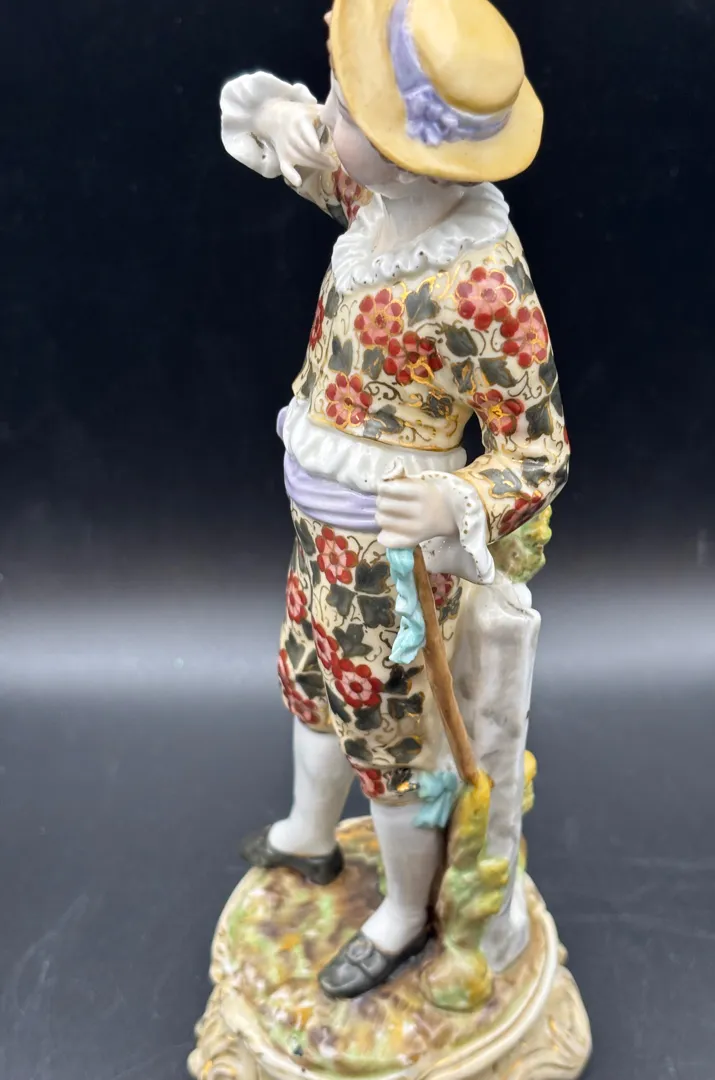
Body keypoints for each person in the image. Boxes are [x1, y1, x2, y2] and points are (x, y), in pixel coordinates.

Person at [219, 0, 570, 999]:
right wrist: (281, 117)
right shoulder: (374, 202)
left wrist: (458, 501)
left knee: (391, 737)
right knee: (310, 681)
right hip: (317, 539)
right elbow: (283, 138)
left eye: (345, 110)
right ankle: (308, 832)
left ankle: (405, 911)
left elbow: (539, 447)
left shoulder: (484, 285)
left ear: (415, 161)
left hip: (392, 566)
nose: (327, 118)